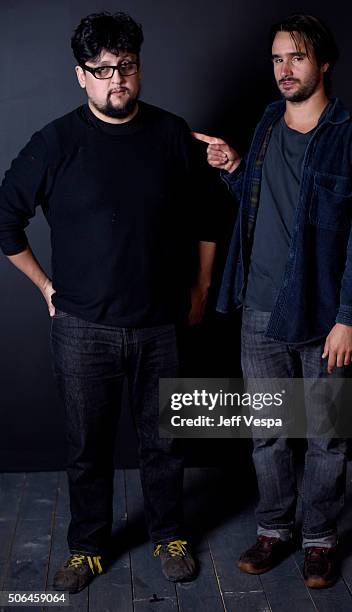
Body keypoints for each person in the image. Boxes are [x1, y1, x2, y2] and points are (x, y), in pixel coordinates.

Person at [0, 12, 216, 593]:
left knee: (166, 442)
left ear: (139, 67)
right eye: (101, 70)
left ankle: (170, 533)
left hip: (161, 323)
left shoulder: (173, 134)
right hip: (82, 328)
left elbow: (208, 214)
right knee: (86, 449)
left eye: (126, 66)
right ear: (81, 76)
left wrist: (199, 288)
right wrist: (47, 288)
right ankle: (88, 546)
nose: (115, 79)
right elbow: (5, 221)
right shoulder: (54, 143)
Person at [193, 13, 352, 588]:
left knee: (326, 433)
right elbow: (260, 203)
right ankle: (275, 529)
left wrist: (349, 319)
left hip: (324, 314)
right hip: (257, 309)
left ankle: (321, 538)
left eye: (296, 57)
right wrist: (232, 167)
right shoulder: (266, 125)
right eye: (277, 58)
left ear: (323, 62)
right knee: (268, 430)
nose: (284, 69)